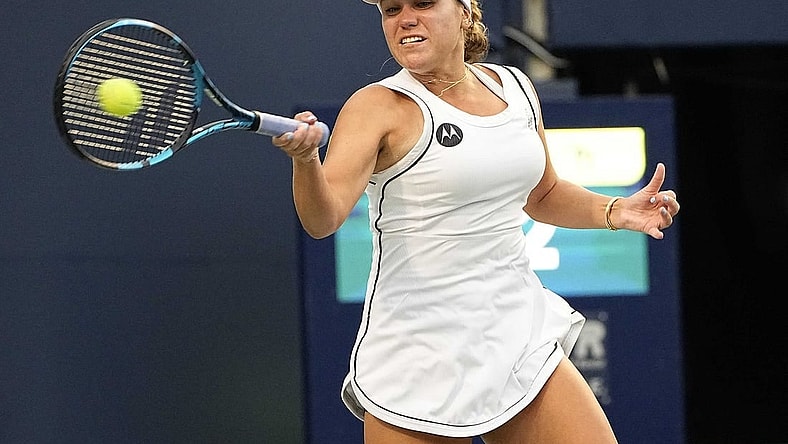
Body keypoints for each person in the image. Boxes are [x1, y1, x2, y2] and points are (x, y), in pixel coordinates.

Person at [272, 0, 680, 442]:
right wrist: (306, 161)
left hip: (516, 331)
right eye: (391, 9)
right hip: (418, 354)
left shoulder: (515, 86)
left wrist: (614, 210)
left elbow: (542, 195)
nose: (405, 18)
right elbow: (323, 217)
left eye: (423, 3)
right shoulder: (376, 106)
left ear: (466, 10)